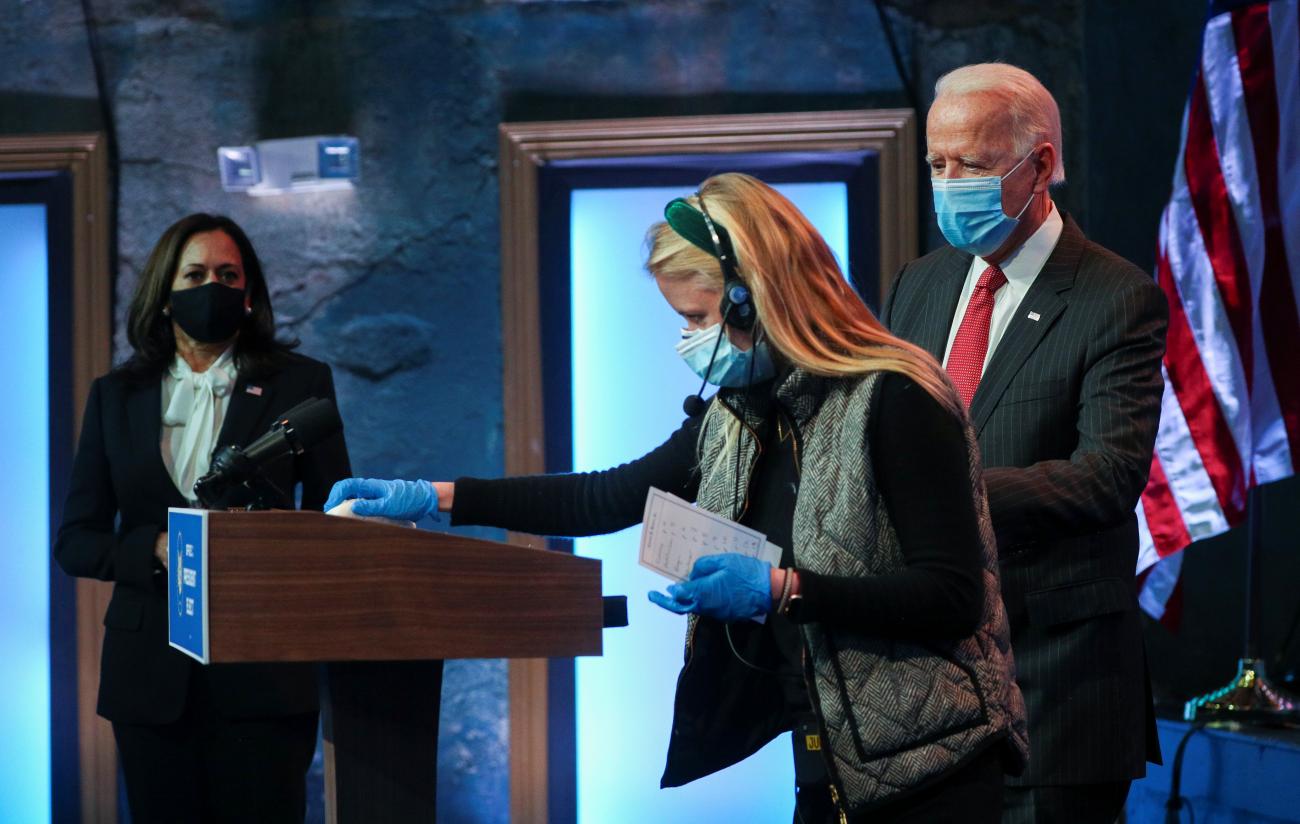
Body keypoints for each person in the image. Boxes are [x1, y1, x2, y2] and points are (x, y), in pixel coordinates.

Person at [327, 173, 1028, 822]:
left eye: (699, 316)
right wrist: (434, 498)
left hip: (936, 766)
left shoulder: (897, 395)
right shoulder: (740, 411)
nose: (689, 339)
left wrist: (782, 589)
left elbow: (951, 595)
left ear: (756, 298)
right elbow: (607, 497)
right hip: (833, 754)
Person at [880, 63, 1168, 823]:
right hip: (928, 705)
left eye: (971, 165)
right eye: (938, 164)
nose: (948, 183)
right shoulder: (922, 283)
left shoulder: (1115, 297)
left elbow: (1105, 477)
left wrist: (938, 497)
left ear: (1040, 165)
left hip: (1055, 692)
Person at [54, 214, 351, 822]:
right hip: (149, 679)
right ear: (165, 294)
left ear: (248, 296)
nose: (211, 285)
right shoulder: (116, 396)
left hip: (264, 674)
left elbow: (334, 520)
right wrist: (156, 548)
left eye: (227, 274)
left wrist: (265, 545)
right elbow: (77, 542)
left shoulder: (300, 384)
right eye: (194, 274)